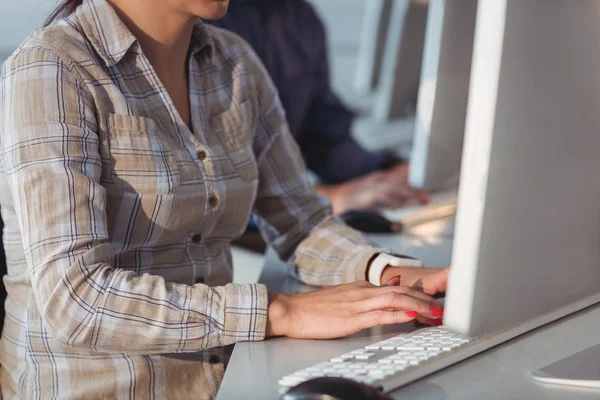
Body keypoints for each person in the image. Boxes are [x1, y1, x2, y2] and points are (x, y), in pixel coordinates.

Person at [0, 0, 448, 398]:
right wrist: (280, 311)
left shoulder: (235, 62)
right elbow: (74, 299)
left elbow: (302, 223)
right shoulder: (53, 67)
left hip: (228, 378)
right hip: (101, 387)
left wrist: (390, 275)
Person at [207, 0, 429, 215]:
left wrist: (387, 172)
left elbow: (324, 139)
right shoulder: (203, 18)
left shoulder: (302, 18)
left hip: (284, 218)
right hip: (228, 234)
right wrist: (333, 197)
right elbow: (208, 187)